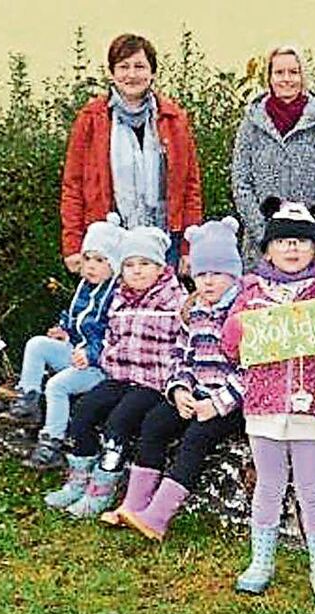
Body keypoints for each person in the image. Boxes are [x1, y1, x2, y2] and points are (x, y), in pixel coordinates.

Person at [220, 200, 315, 601]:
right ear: (267, 249)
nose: (293, 249)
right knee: (268, 485)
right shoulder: (249, 293)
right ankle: (261, 561)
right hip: (264, 407)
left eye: (303, 242)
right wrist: (240, 327)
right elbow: (230, 346)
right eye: (284, 241)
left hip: (314, 407)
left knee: (312, 489)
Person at [106, 218, 246, 540]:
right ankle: (134, 504)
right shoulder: (194, 310)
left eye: (217, 274)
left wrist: (218, 403)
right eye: (200, 274)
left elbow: (252, 371)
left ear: (234, 274)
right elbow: (180, 355)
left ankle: (158, 516)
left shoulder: (242, 312)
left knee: (196, 438)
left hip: (232, 403)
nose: (208, 282)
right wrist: (179, 388)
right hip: (195, 394)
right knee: (155, 422)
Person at [53, 226, 185, 519]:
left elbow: (182, 347)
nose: (137, 272)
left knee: (118, 423)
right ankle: (79, 478)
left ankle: (103, 485)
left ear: (161, 267)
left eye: (145, 264)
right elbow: (110, 338)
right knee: (86, 410)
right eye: (129, 265)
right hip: (120, 375)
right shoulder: (119, 298)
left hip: (153, 382)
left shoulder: (175, 301)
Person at [58, 33, 202, 274]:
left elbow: (190, 187)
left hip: (164, 241)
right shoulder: (91, 119)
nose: (132, 75)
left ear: (152, 72)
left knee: (161, 308)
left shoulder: (174, 119)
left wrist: (190, 246)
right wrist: (73, 244)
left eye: (139, 66)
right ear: (112, 73)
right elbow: (73, 186)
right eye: (123, 67)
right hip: (107, 239)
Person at [15, 217, 121, 470]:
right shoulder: (85, 287)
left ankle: (52, 441)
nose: (91, 266)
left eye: (100, 260)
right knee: (37, 344)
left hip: (99, 367)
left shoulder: (116, 295)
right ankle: (29, 397)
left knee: (57, 385)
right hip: (75, 351)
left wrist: (91, 354)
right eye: (87, 259)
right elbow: (75, 316)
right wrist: (64, 329)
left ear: (114, 264)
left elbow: (114, 336)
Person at [229, 46, 315, 255]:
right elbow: (241, 183)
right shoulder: (251, 123)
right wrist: (265, 232)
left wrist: (309, 230)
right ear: (269, 77)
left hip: (311, 243)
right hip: (261, 245)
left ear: (303, 76)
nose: (286, 79)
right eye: (279, 72)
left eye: (293, 72)